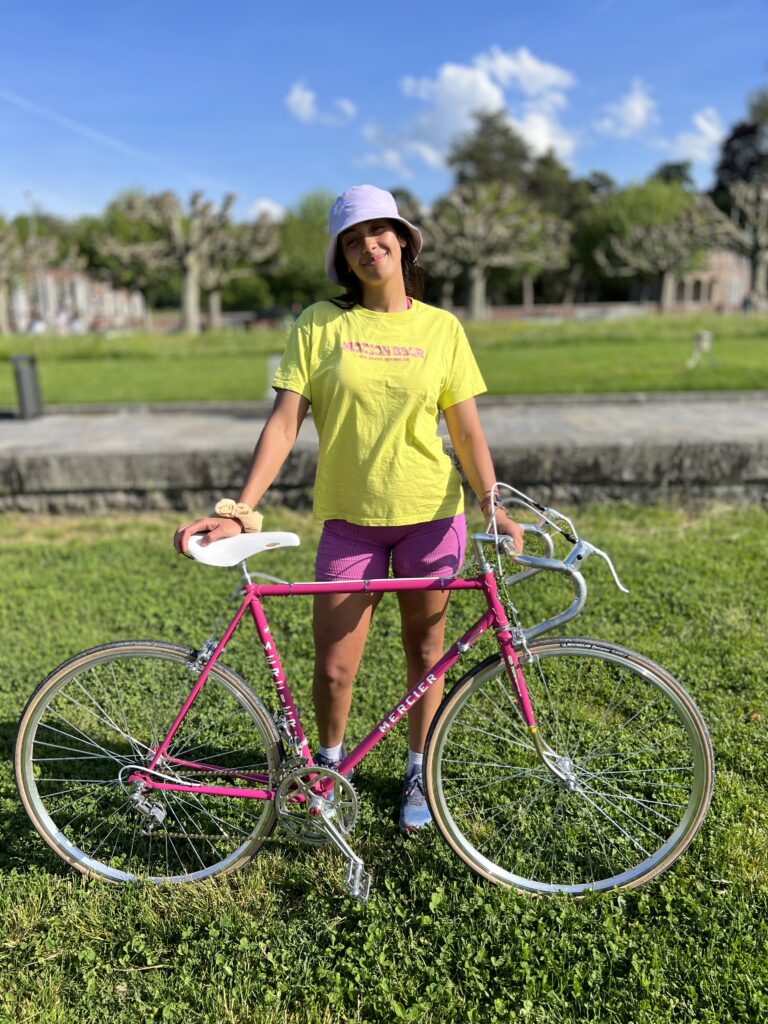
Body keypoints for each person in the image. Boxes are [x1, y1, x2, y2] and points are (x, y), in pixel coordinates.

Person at [174, 185, 523, 834]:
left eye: (380, 230)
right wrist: (240, 509)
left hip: (432, 518)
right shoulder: (318, 324)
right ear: (343, 255)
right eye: (353, 237)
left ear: (404, 239)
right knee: (334, 670)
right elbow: (283, 425)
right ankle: (326, 770)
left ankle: (419, 768)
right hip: (350, 524)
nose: (369, 244)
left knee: (428, 656)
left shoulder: (442, 328)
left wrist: (492, 505)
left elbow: (468, 432)